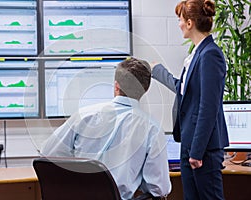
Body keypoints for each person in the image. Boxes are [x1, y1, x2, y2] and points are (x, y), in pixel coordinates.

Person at [41, 57, 172, 199]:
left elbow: (47, 153)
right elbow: (159, 188)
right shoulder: (152, 129)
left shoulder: (84, 115)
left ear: (116, 86)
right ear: (145, 90)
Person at [151, 0, 229, 199]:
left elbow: (208, 107)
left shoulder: (211, 54)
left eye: (180, 19)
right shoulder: (197, 54)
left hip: (203, 149)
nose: (178, 24)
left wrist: (196, 151)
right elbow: (184, 90)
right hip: (189, 143)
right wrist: (158, 71)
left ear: (190, 23)